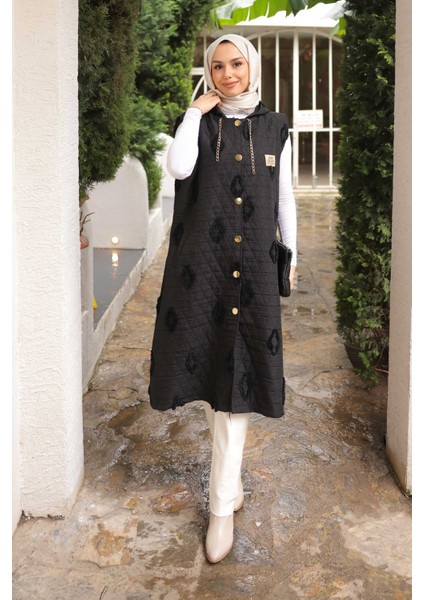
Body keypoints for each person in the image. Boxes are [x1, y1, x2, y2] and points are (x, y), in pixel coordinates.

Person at [148, 34, 297, 564]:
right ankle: (227, 493)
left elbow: (284, 196)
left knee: (240, 385)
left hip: (254, 266)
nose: (228, 73)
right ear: (208, 73)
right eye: (217, 66)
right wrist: (193, 113)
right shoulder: (198, 123)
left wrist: (292, 252)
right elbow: (179, 167)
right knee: (219, 379)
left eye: (236, 64)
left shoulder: (276, 127)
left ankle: (221, 507)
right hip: (202, 271)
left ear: (251, 67)